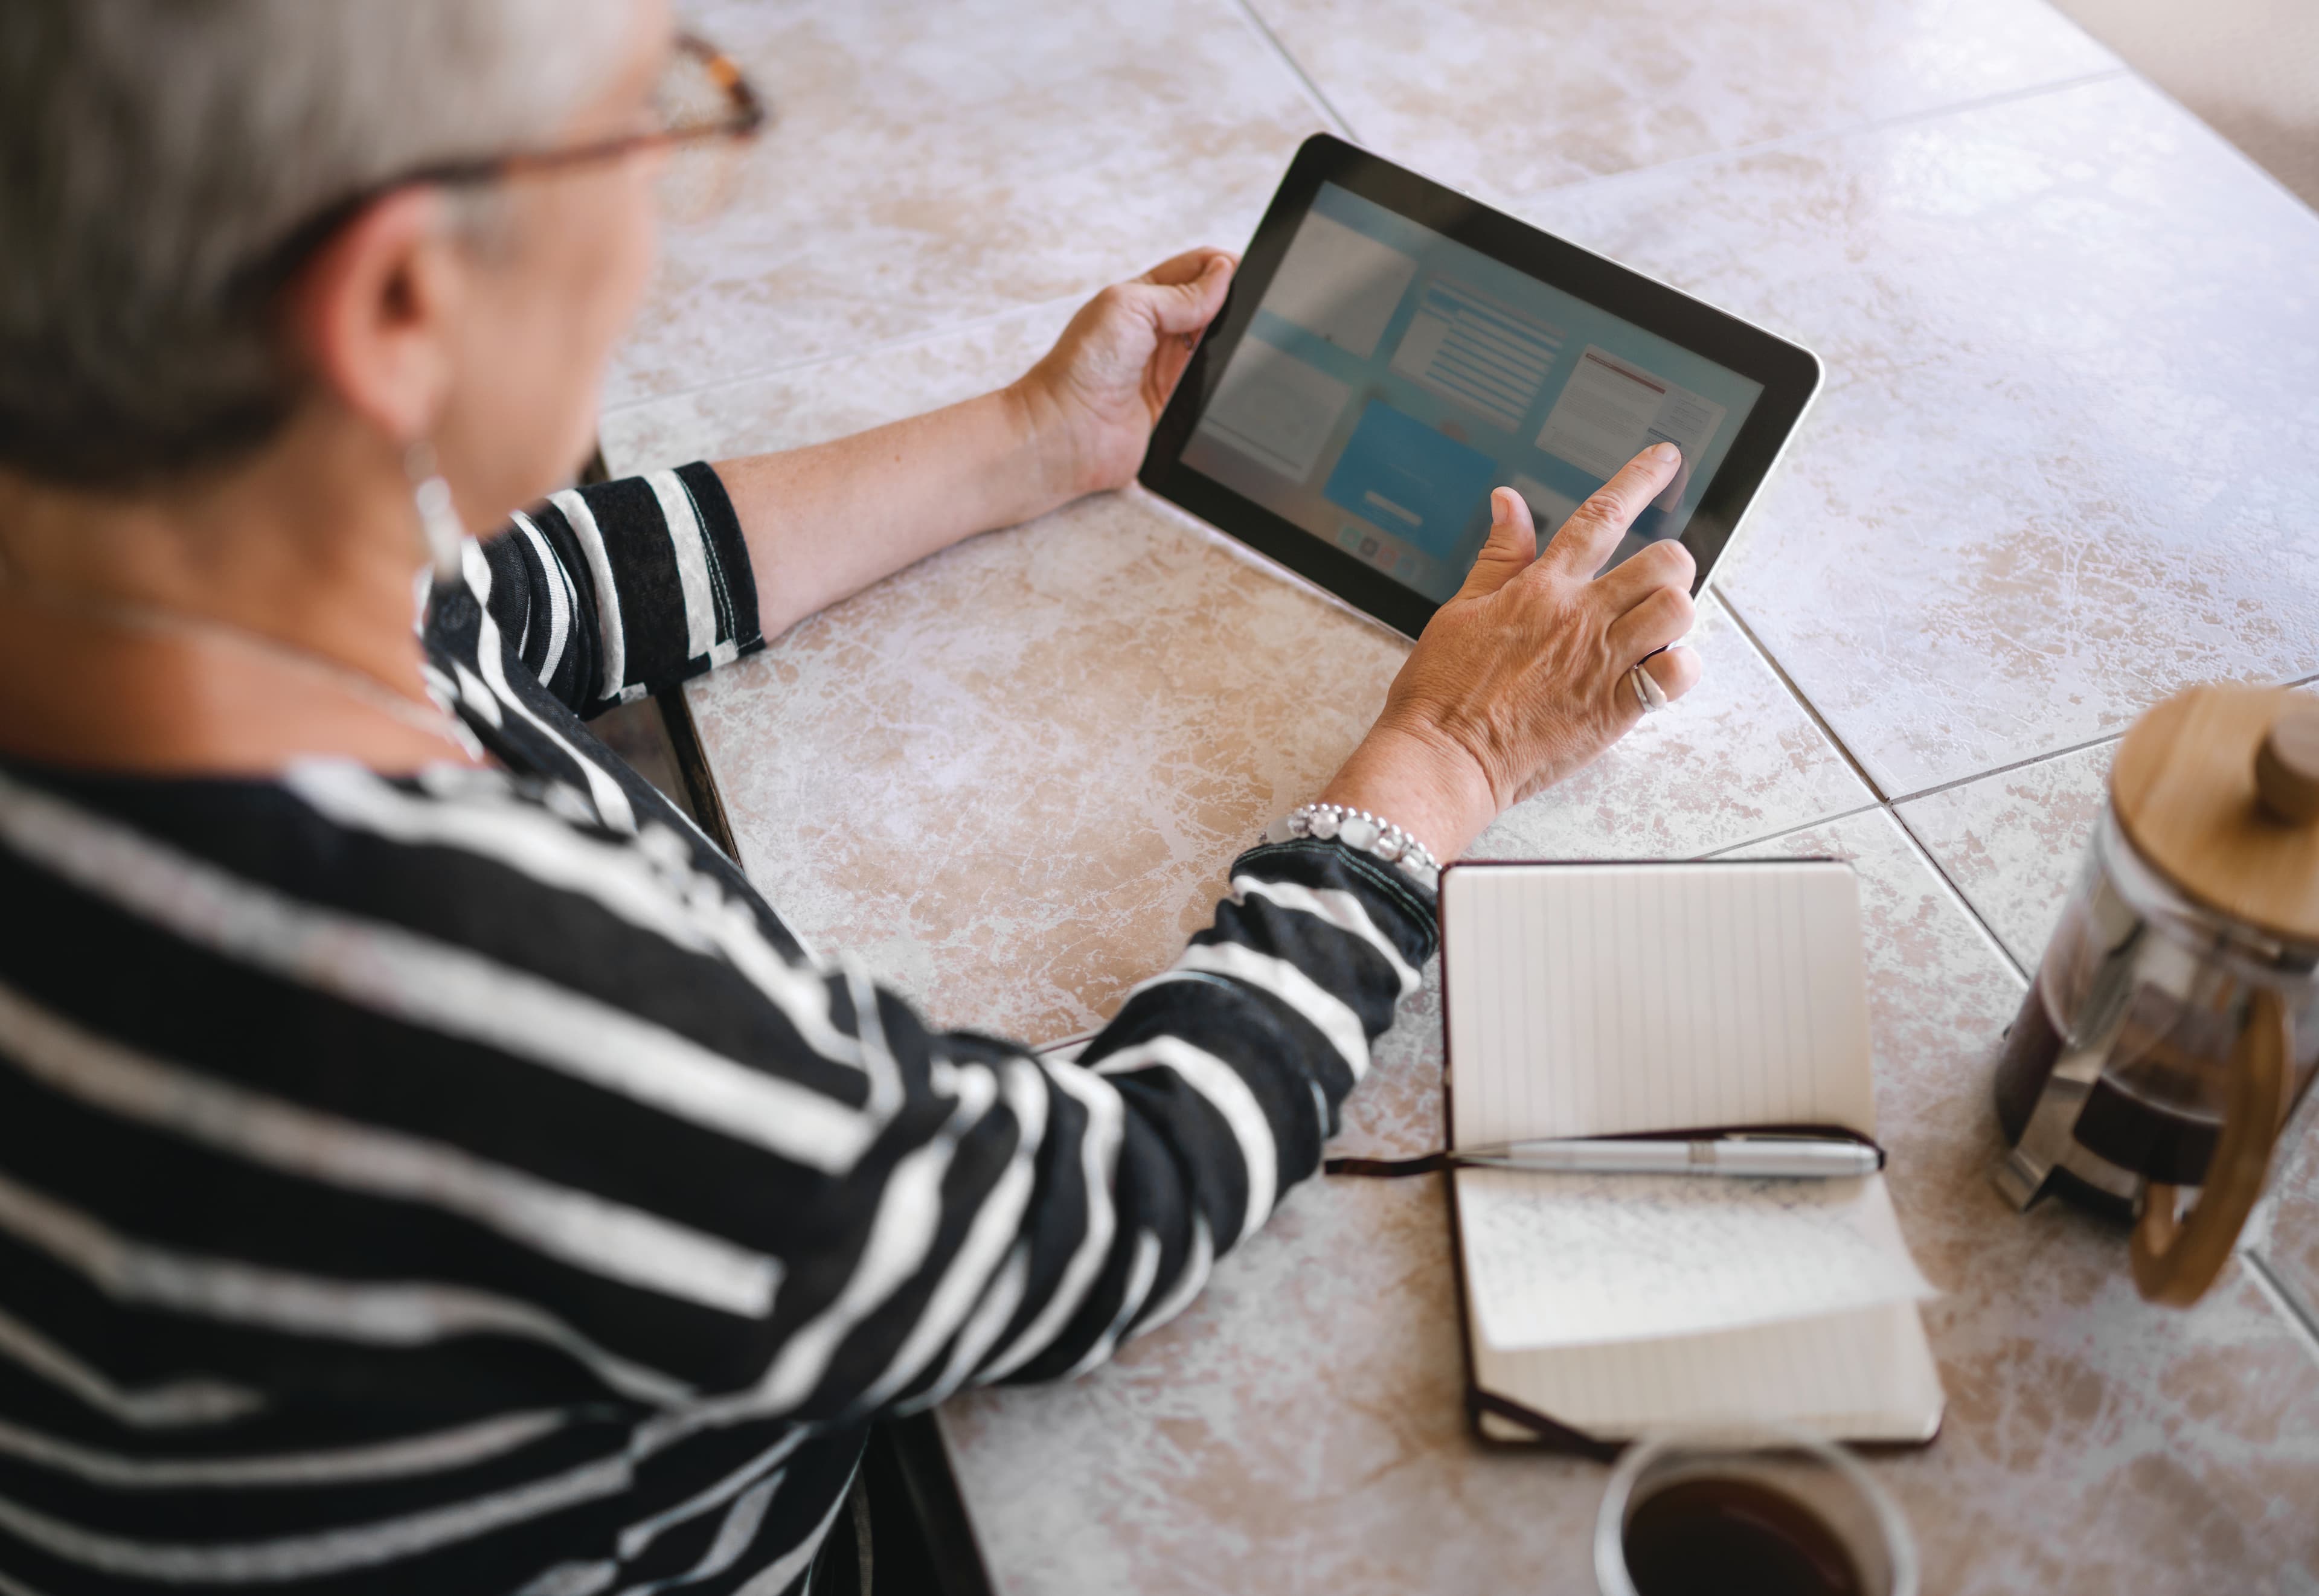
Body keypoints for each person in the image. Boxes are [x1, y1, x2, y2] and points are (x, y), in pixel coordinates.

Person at [0, 2, 1701, 1591]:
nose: (670, 197)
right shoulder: (463, 996)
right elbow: (1088, 1209)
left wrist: (1035, 436)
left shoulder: (146, 585)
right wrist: (1441, 763)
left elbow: (515, 598)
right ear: (394, 308)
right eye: (639, 124)